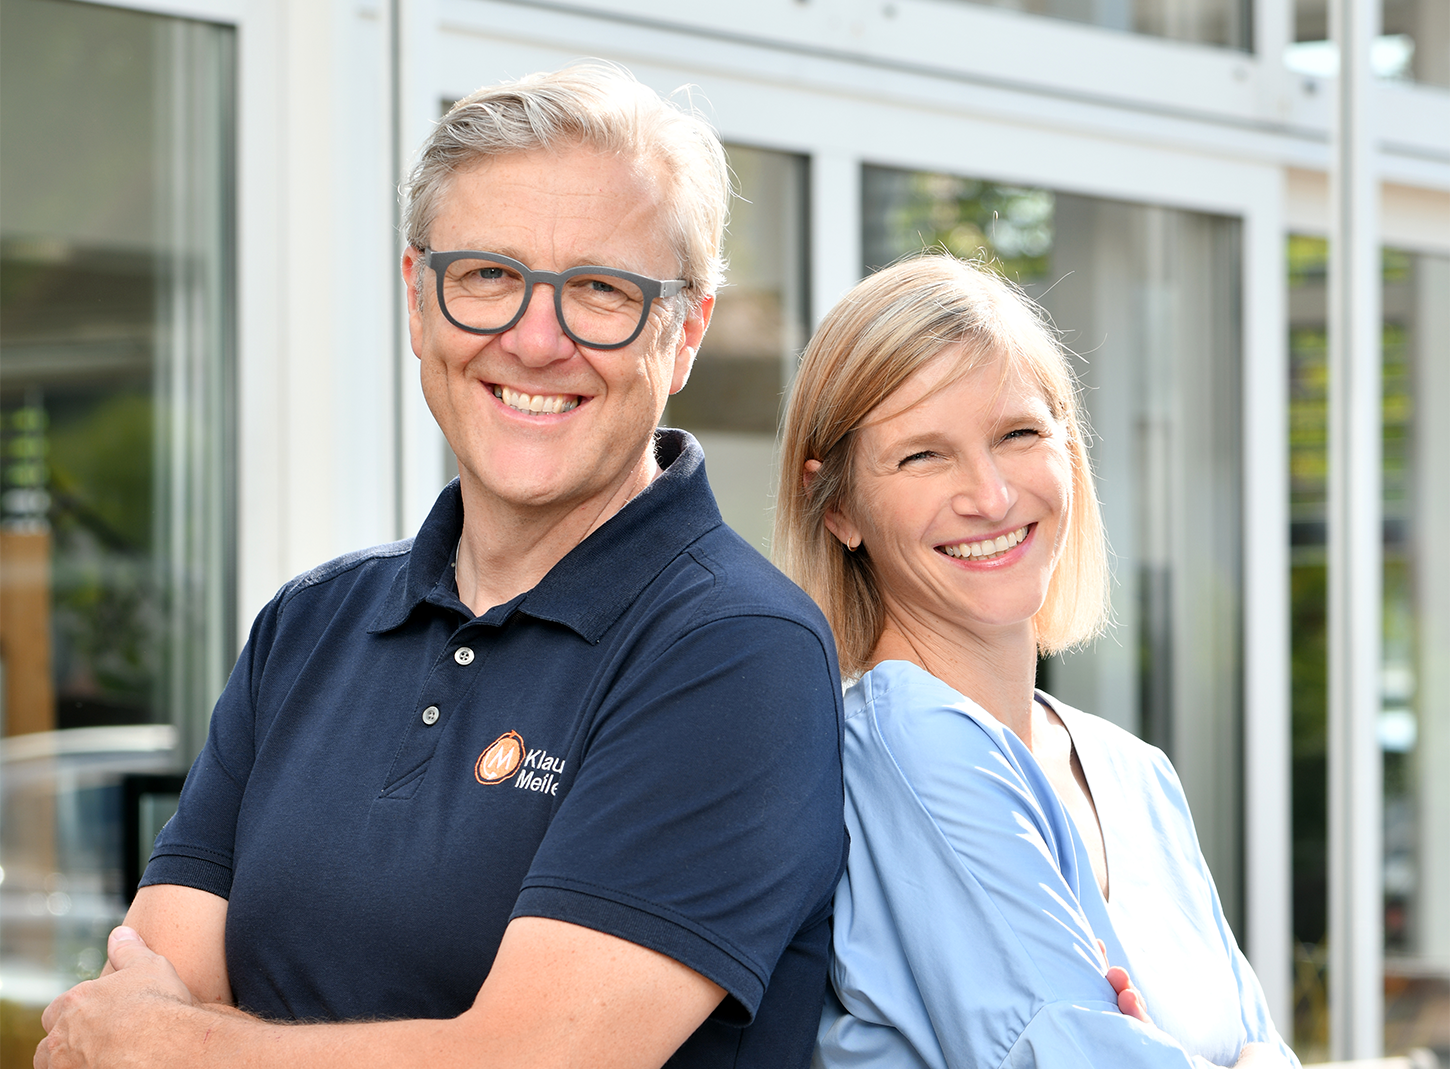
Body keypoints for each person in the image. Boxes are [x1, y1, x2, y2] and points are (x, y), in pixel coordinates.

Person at [37, 64, 846, 1069]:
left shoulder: (733, 652)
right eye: (489, 277)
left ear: (684, 331)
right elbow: (136, 1006)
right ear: (420, 300)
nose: (535, 338)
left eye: (600, 289)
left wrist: (183, 1046)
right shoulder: (312, 623)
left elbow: (526, 1063)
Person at [773, 254, 1299, 1069]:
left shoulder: (1137, 773)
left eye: (1018, 433)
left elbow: (1268, 1048)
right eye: (923, 455)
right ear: (837, 505)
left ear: (1069, 450)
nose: (989, 495)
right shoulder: (906, 743)